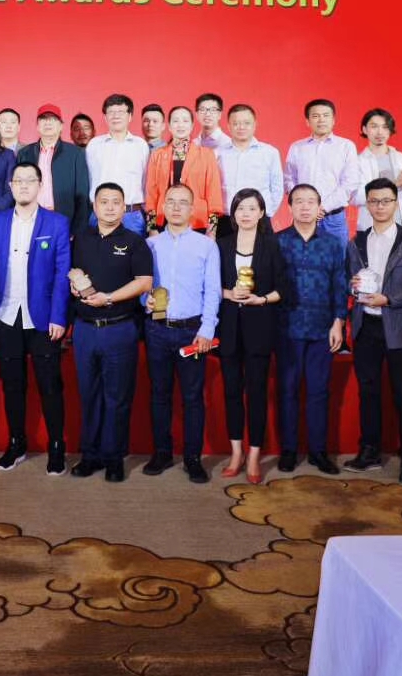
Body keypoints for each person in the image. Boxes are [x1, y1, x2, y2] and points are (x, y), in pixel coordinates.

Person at [342, 179, 402, 484]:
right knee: (368, 391)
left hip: (399, 328)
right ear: (367, 204)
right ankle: (369, 451)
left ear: (397, 204)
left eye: (386, 201)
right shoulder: (356, 242)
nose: (380, 206)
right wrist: (353, 286)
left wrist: (389, 298)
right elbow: (349, 280)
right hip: (366, 326)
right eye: (374, 201)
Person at [0, 164, 72, 473]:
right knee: (12, 384)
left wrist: (59, 316)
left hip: (44, 318)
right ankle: (16, 443)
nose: (23, 186)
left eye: (29, 181)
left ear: (39, 185)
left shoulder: (57, 223)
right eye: (18, 181)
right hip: (6, 315)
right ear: (10, 185)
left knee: (50, 384)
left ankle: (56, 446)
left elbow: (62, 274)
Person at [68, 183, 154, 483]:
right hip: (84, 329)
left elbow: (144, 282)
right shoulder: (81, 238)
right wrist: (74, 285)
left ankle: (114, 458)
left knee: (117, 397)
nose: (109, 207)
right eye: (103, 201)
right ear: (94, 206)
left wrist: (108, 298)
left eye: (116, 202)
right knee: (88, 395)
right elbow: (72, 273)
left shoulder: (135, 242)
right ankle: (90, 455)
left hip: (119, 327)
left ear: (124, 207)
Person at [143, 185, 221, 484]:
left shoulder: (206, 246)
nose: (176, 208)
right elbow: (142, 285)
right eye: (171, 202)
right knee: (159, 394)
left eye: (183, 203)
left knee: (193, 398)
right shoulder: (150, 245)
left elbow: (212, 290)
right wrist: (144, 301)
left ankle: (192, 458)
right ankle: (162, 453)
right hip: (157, 328)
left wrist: (207, 329)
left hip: (192, 331)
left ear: (192, 209)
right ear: (163, 207)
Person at [214, 188, 288, 484]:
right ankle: (236, 453)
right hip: (229, 327)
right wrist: (228, 293)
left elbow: (284, 287)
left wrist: (262, 299)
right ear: (233, 213)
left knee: (256, 392)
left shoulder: (272, 245)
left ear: (261, 213)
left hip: (260, 326)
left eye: (251, 208)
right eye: (240, 208)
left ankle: (255, 454)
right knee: (231, 392)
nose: (245, 214)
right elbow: (210, 285)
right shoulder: (222, 244)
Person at [275, 184, 348, 475]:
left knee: (319, 391)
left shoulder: (333, 244)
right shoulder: (277, 242)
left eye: (310, 202)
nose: (305, 207)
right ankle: (289, 450)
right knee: (287, 391)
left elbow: (340, 285)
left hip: (322, 329)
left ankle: (318, 451)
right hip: (286, 329)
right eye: (299, 201)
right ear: (290, 206)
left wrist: (339, 321)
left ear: (319, 207)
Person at [284, 98, 361, 241]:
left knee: (338, 255)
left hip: (333, 219)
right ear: (307, 121)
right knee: (300, 255)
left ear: (333, 120)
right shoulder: (297, 147)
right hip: (303, 217)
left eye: (326, 115)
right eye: (315, 116)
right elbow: (289, 179)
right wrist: (304, 205)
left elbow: (350, 182)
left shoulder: (346, 146)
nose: (321, 120)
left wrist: (323, 207)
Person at [143, 105, 224, 234]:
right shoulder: (157, 155)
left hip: (197, 222)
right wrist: (151, 228)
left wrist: (212, 231)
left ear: (192, 126)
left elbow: (214, 195)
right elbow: (151, 195)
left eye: (185, 121)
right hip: (163, 221)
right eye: (176, 121)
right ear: (169, 126)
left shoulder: (206, 155)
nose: (180, 125)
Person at [16, 103, 91, 236]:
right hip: (31, 219)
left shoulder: (75, 153)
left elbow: (82, 194)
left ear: (61, 126)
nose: (48, 123)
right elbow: (17, 190)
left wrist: (77, 230)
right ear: (37, 126)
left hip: (62, 220)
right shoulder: (25, 153)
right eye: (43, 119)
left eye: (53, 119)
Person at [84, 94, 150, 232]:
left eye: (120, 111)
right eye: (111, 112)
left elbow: (146, 182)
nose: (115, 116)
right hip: (99, 214)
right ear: (105, 117)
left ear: (130, 116)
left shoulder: (141, 145)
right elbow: (88, 180)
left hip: (131, 215)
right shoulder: (94, 145)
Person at [352, 108, 402, 232]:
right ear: (364, 129)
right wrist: (394, 184)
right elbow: (355, 198)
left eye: (385, 127)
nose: (380, 132)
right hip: (371, 227)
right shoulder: (357, 162)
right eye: (374, 126)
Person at [215, 103, 283, 220]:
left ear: (255, 124)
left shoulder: (270, 152)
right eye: (236, 123)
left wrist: (267, 213)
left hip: (259, 218)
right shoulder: (218, 153)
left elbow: (277, 187)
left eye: (247, 123)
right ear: (228, 126)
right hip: (226, 217)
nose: (241, 127)